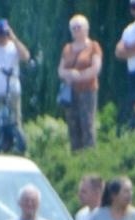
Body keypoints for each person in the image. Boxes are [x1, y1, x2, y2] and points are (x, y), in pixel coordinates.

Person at [58, 15, 104, 152]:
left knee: (87, 124)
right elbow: (60, 70)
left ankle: (89, 157)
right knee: (73, 126)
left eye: (79, 27)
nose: (76, 30)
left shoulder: (93, 46)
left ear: (86, 28)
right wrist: (69, 74)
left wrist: (79, 76)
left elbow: (96, 68)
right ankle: (75, 157)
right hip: (70, 93)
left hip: (88, 90)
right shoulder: (67, 48)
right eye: (73, 28)